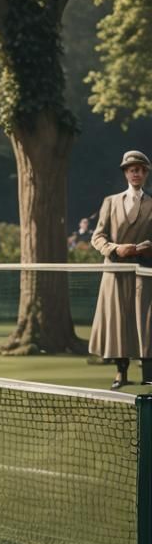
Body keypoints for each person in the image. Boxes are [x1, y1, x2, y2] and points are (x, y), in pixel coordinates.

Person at [89, 150, 152, 388]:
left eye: (140, 169)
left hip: (145, 271)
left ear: (145, 174)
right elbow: (98, 237)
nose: (136, 173)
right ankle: (120, 373)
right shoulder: (110, 202)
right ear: (126, 173)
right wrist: (116, 249)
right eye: (131, 169)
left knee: (145, 321)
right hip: (115, 271)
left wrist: (147, 248)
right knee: (117, 321)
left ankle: (148, 373)